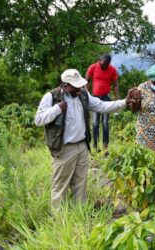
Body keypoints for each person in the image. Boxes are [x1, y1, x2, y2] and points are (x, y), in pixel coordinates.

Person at [35, 69, 136, 208]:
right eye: (75, 86)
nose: (79, 89)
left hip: (82, 146)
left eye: (80, 86)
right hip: (64, 149)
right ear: (65, 86)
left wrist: (124, 102)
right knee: (60, 186)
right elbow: (38, 119)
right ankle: (59, 219)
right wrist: (57, 108)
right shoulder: (52, 97)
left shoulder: (82, 94)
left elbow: (101, 105)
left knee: (80, 184)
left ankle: (80, 213)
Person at [85, 54, 119, 151]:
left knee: (105, 123)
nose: (104, 66)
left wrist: (117, 103)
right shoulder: (93, 67)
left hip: (106, 98)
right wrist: (88, 96)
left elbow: (116, 86)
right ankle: (95, 147)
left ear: (109, 63)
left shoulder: (112, 69)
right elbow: (85, 82)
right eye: (103, 64)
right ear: (99, 60)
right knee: (95, 123)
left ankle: (105, 148)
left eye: (106, 65)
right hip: (95, 98)